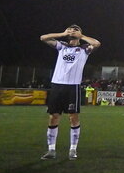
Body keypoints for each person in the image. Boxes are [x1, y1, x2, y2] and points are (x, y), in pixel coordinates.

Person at [40, 25, 101, 160]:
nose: (72, 31)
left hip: (72, 87)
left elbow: (97, 43)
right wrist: (62, 33)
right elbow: (43, 38)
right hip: (57, 85)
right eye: (70, 29)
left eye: (75, 30)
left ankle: (73, 149)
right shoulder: (61, 46)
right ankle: (51, 150)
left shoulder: (85, 49)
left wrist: (82, 36)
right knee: (53, 117)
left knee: (73, 117)